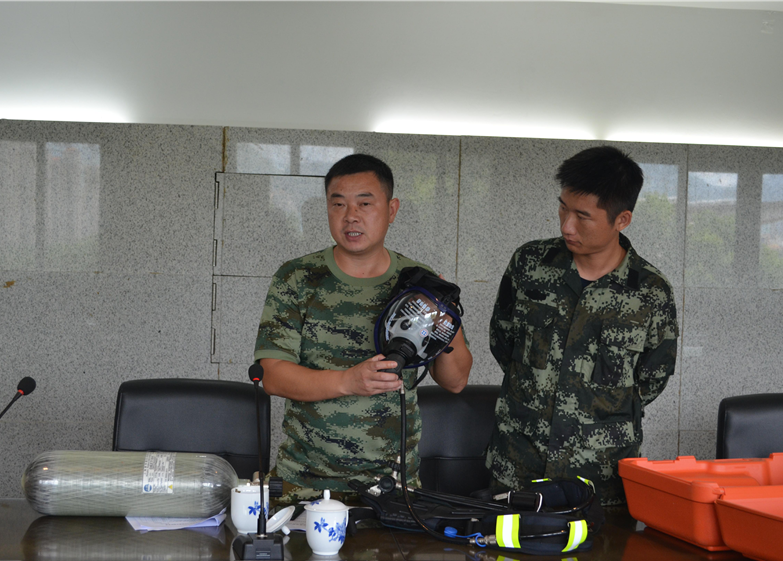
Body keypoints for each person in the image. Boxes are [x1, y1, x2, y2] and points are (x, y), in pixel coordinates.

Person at [255, 153, 472, 504]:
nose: (351, 216)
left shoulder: (417, 282)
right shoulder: (297, 277)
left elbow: (455, 381)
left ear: (392, 209)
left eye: (365, 203)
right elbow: (272, 375)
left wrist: (445, 319)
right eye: (338, 204)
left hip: (393, 487)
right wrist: (348, 381)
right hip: (304, 482)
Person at [486, 146, 678, 506]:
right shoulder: (530, 264)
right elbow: (502, 341)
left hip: (598, 476)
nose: (566, 226)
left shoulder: (650, 291)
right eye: (563, 207)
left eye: (582, 216)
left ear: (622, 219)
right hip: (518, 463)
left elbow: (652, 378)